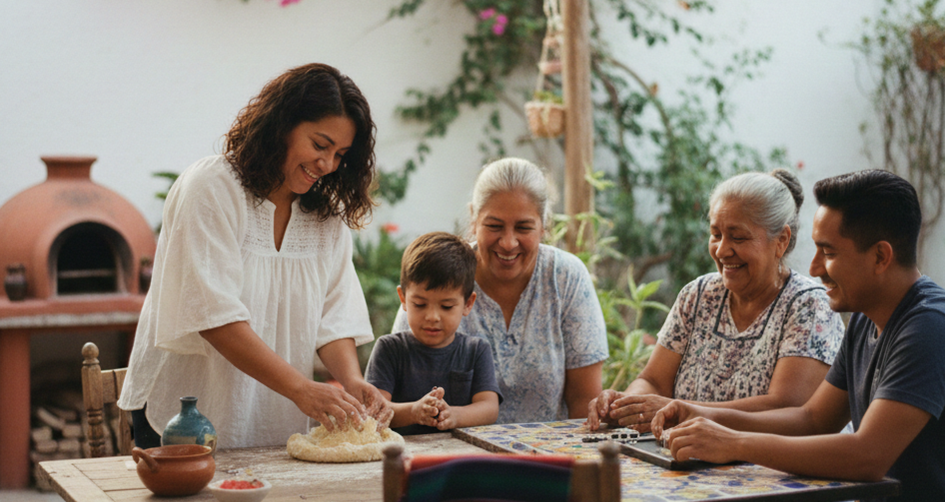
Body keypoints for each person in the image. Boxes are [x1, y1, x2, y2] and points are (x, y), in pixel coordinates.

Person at [654, 170, 945, 502]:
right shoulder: (866, 320)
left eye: (829, 252)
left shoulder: (933, 327)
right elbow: (812, 419)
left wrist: (735, 443)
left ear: (880, 256)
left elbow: (867, 456)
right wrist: (699, 414)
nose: (814, 268)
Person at [118, 63, 391, 449]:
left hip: (273, 416)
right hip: (180, 416)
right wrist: (301, 388)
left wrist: (352, 380)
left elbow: (334, 318)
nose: (328, 165)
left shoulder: (325, 218)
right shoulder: (212, 188)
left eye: (340, 154)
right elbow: (214, 316)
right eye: (320, 145)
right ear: (282, 126)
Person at [586, 169, 845, 502]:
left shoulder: (808, 306)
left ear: (781, 241)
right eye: (716, 234)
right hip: (681, 482)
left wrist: (686, 411)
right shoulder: (698, 295)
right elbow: (654, 380)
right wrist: (628, 403)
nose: (722, 250)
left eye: (738, 237)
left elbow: (788, 406)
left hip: (767, 489)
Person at [392, 157, 608, 423]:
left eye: (523, 227)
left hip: (547, 448)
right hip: (446, 448)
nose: (508, 242)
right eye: (494, 226)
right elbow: (395, 380)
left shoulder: (566, 278)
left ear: (544, 225)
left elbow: (584, 401)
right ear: (474, 219)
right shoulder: (440, 272)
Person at [365, 232, 501, 435]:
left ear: (467, 303)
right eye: (420, 304)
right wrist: (413, 412)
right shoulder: (390, 349)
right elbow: (374, 412)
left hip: (459, 452)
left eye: (446, 307)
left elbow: (489, 408)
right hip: (401, 451)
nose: (432, 317)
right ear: (403, 298)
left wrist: (454, 415)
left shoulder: (476, 350)